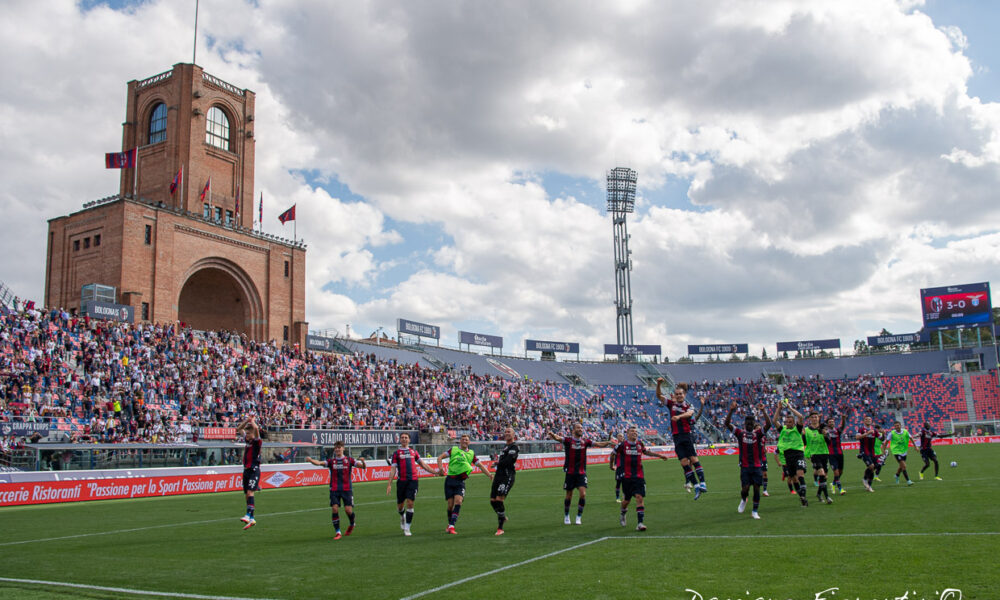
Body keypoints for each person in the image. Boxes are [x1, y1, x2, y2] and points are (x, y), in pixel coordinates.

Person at [546, 423, 614, 525]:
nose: (581, 429)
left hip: (581, 472)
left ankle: (578, 516)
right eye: (578, 428)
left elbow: (598, 444)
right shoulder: (568, 440)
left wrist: (608, 442)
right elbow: (559, 438)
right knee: (569, 496)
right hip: (570, 472)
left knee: (583, 494)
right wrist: (553, 435)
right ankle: (566, 515)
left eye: (581, 428)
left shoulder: (585, 441)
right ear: (573, 430)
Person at [656, 379, 708, 499]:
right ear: (674, 395)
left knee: (694, 460)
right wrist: (658, 384)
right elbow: (659, 395)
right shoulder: (671, 404)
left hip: (686, 435)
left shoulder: (688, 406)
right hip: (676, 437)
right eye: (677, 394)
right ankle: (696, 486)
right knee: (684, 463)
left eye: (681, 394)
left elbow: (690, 414)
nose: (679, 395)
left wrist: (679, 416)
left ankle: (703, 483)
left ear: (684, 395)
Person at [306, 440, 366, 539]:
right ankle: (338, 532)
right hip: (334, 489)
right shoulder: (331, 461)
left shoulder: (349, 460)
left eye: (339, 447)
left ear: (343, 448)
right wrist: (311, 460)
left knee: (348, 510)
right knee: (334, 508)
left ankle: (352, 523)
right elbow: (319, 463)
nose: (338, 449)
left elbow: (363, 467)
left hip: (347, 489)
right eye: (336, 448)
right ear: (334, 450)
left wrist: (363, 462)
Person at [615, 425, 668, 531]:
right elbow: (613, 454)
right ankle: (622, 512)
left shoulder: (640, 444)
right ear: (627, 434)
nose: (635, 433)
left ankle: (640, 523)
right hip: (627, 477)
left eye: (636, 431)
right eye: (632, 431)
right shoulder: (622, 445)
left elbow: (646, 452)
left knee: (639, 498)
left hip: (639, 476)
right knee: (626, 501)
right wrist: (612, 465)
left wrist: (660, 456)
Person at [436, 434, 493, 534]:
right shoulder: (453, 450)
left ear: (469, 442)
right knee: (450, 506)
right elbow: (440, 457)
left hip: (460, 482)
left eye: (466, 440)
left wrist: (489, 474)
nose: (464, 441)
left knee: (458, 502)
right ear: (460, 441)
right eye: (463, 439)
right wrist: (440, 469)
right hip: (450, 480)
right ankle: (450, 524)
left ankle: (452, 526)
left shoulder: (471, 453)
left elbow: (479, 465)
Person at [386, 432, 440, 536]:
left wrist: (435, 472)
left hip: (413, 481)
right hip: (401, 482)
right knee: (400, 506)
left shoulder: (413, 452)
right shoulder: (396, 453)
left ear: (409, 440)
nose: (404, 439)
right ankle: (402, 517)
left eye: (406, 437)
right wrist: (389, 484)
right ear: (400, 440)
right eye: (402, 437)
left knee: (410, 503)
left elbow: (423, 464)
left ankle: (407, 528)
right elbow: (393, 469)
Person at [724, 400, 771, 519]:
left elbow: (769, 424)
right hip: (745, 466)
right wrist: (731, 410)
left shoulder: (758, 434)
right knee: (745, 489)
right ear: (745, 424)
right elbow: (727, 423)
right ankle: (744, 499)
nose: (749, 424)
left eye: (751, 422)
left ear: (754, 423)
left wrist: (764, 411)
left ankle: (755, 511)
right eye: (748, 422)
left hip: (756, 466)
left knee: (756, 488)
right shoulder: (740, 433)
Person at [772, 400, 809, 506]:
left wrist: (789, 407)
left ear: (793, 423)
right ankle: (802, 497)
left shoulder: (797, 429)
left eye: (789, 422)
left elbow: (801, 417)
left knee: (800, 474)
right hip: (788, 456)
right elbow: (774, 421)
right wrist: (779, 408)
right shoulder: (783, 430)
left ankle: (803, 495)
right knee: (793, 479)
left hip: (798, 454)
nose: (787, 423)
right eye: (786, 422)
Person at [490, 427, 519, 535]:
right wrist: (497, 463)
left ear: (513, 434)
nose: (506, 433)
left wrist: (497, 463)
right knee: (492, 501)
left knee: (499, 499)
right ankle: (502, 517)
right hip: (498, 475)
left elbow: (508, 461)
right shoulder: (505, 447)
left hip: (507, 476)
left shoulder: (514, 447)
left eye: (509, 432)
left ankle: (500, 528)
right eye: (505, 432)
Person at [236, 417, 263, 529]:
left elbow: (256, 428)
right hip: (246, 470)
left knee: (250, 492)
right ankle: (252, 518)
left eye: (248, 433)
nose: (246, 435)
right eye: (246, 433)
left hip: (254, 470)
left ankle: (248, 515)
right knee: (247, 495)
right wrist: (246, 421)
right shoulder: (247, 441)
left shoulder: (257, 442)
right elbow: (238, 428)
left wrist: (252, 421)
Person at [804, 412, 833, 504]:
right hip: (814, 454)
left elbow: (829, 442)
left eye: (816, 417)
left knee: (825, 477)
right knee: (821, 473)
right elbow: (804, 443)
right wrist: (807, 454)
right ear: (810, 419)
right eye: (812, 417)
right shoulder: (806, 430)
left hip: (824, 453)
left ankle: (819, 494)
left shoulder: (823, 429)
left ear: (818, 418)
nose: (814, 419)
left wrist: (825, 435)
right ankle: (827, 497)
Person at [856, 415, 882, 492]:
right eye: (866, 419)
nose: (868, 420)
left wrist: (883, 434)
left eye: (869, 419)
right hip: (864, 451)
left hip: (872, 452)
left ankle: (869, 485)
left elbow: (881, 439)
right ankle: (864, 479)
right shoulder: (861, 429)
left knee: (874, 467)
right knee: (871, 466)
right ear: (864, 421)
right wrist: (867, 433)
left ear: (871, 421)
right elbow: (857, 437)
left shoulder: (875, 431)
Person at [825, 412, 849, 495]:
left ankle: (833, 484)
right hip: (831, 454)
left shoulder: (837, 431)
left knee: (840, 472)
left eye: (832, 422)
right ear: (827, 424)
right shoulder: (826, 432)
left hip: (839, 453)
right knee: (836, 472)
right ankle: (840, 489)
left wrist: (843, 419)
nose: (831, 423)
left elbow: (842, 426)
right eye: (830, 422)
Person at [886, 421, 914, 486]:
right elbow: (887, 441)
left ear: (900, 425)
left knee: (901, 466)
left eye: (898, 425)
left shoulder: (905, 431)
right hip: (896, 451)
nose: (897, 427)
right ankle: (908, 481)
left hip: (904, 451)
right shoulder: (891, 433)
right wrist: (884, 450)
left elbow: (911, 438)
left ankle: (897, 475)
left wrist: (915, 446)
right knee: (904, 466)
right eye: (895, 426)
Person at [609, 432, 626, 502]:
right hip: (618, 466)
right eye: (619, 436)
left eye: (621, 436)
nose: (620, 437)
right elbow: (610, 442)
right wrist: (610, 435)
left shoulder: (625, 445)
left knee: (625, 482)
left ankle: (625, 496)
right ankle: (617, 497)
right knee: (618, 482)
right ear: (617, 438)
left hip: (625, 466)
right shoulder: (616, 445)